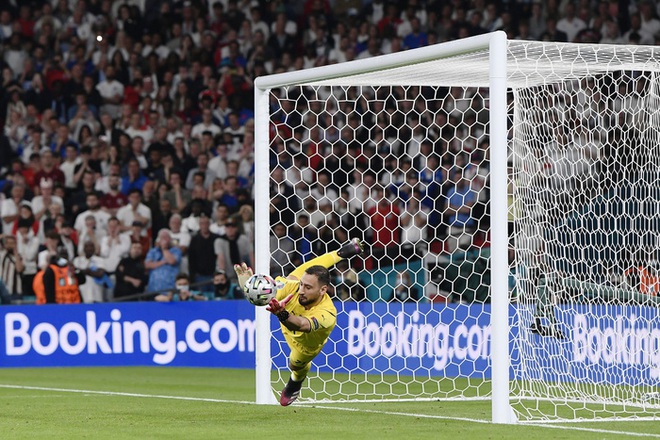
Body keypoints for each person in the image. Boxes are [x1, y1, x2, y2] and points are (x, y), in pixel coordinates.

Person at [234, 238, 364, 406]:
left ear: (323, 290)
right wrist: (250, 288)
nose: (301, 290)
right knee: (294, 276)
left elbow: (303, 325)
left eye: (308, 288)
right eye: (302, 285)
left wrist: (282, 314)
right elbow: (266, 295)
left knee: (295, 365)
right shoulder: (294, 287)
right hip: (286, 314)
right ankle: (342, 252)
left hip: (304, 345)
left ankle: (296, 380)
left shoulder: (327, 313)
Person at [145, 228, 182, 294]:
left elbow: (171, 261)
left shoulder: (176, 251)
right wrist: (163, 262)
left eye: (166, 237)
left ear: (170, 239)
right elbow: (147, 265)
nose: (164, 239)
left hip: (170, 289)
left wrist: (164, 249)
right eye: (162, 237)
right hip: (153, 289)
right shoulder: (153, 251)